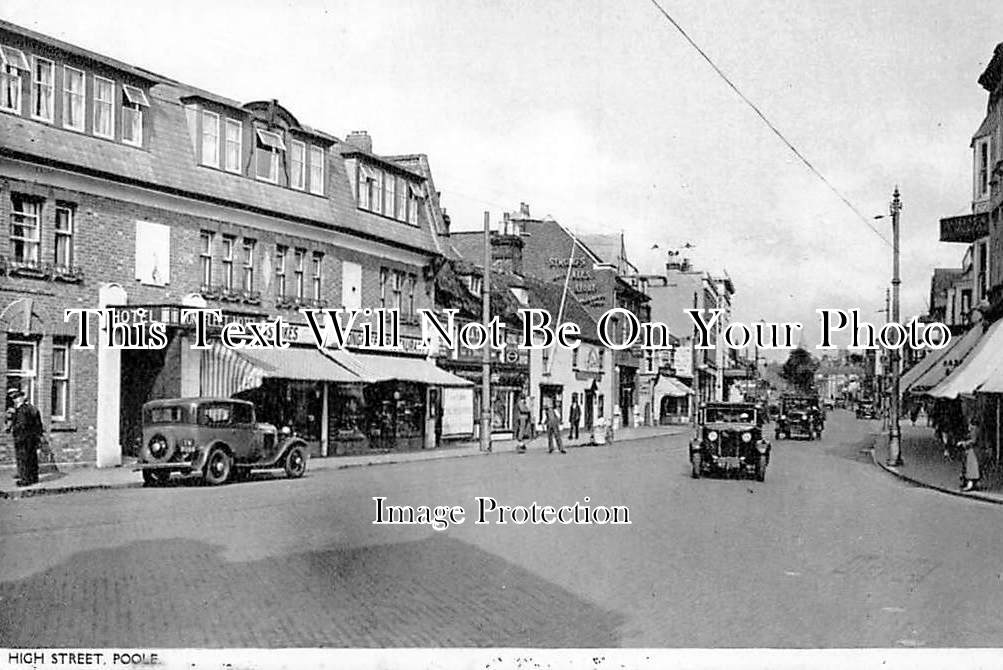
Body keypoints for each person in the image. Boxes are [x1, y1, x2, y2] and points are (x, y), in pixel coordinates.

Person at [7, 389, 42, 486]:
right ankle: (33, 478)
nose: (15, 400)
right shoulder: (32, 408)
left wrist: (13, 426)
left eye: (16, 397)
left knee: (23, 459)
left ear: (21, 398)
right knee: (32, 458)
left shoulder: (21, 410)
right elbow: (38, 424)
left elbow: (21, 424)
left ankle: (25, 479)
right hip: (32, 437)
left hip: (22, 438)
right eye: (14, 398)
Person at [958, 413, 982, 492]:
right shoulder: (977, 429)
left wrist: (964, 443)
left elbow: (973, 441)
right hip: (976, 451)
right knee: (974, 467)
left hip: (973, 451)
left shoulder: (974, 429)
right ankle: (976, 484)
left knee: (971, 468)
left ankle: (970, 484)